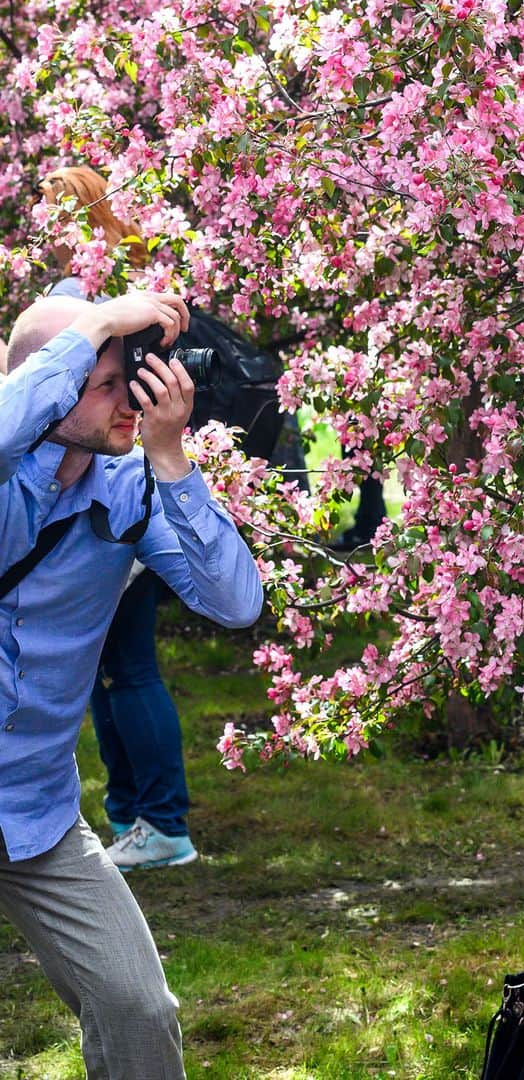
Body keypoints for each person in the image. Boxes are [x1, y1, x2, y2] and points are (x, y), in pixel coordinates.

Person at [0, 292, 263, 1077]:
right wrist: (94, 325)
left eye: (137, 375)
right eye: (105, 380)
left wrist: (172, 459)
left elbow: (236, 602)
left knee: (140, 1010)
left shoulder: (127, 489)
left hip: (35, 814)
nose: (133, 397)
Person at [41, 166, 192, 868]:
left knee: (128, 668)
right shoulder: (121, 294)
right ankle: (134, 813)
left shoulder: (83, 301)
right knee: (113, 670)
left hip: (106, 507)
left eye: (50, 215)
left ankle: (161, 821)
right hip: (111, 502)